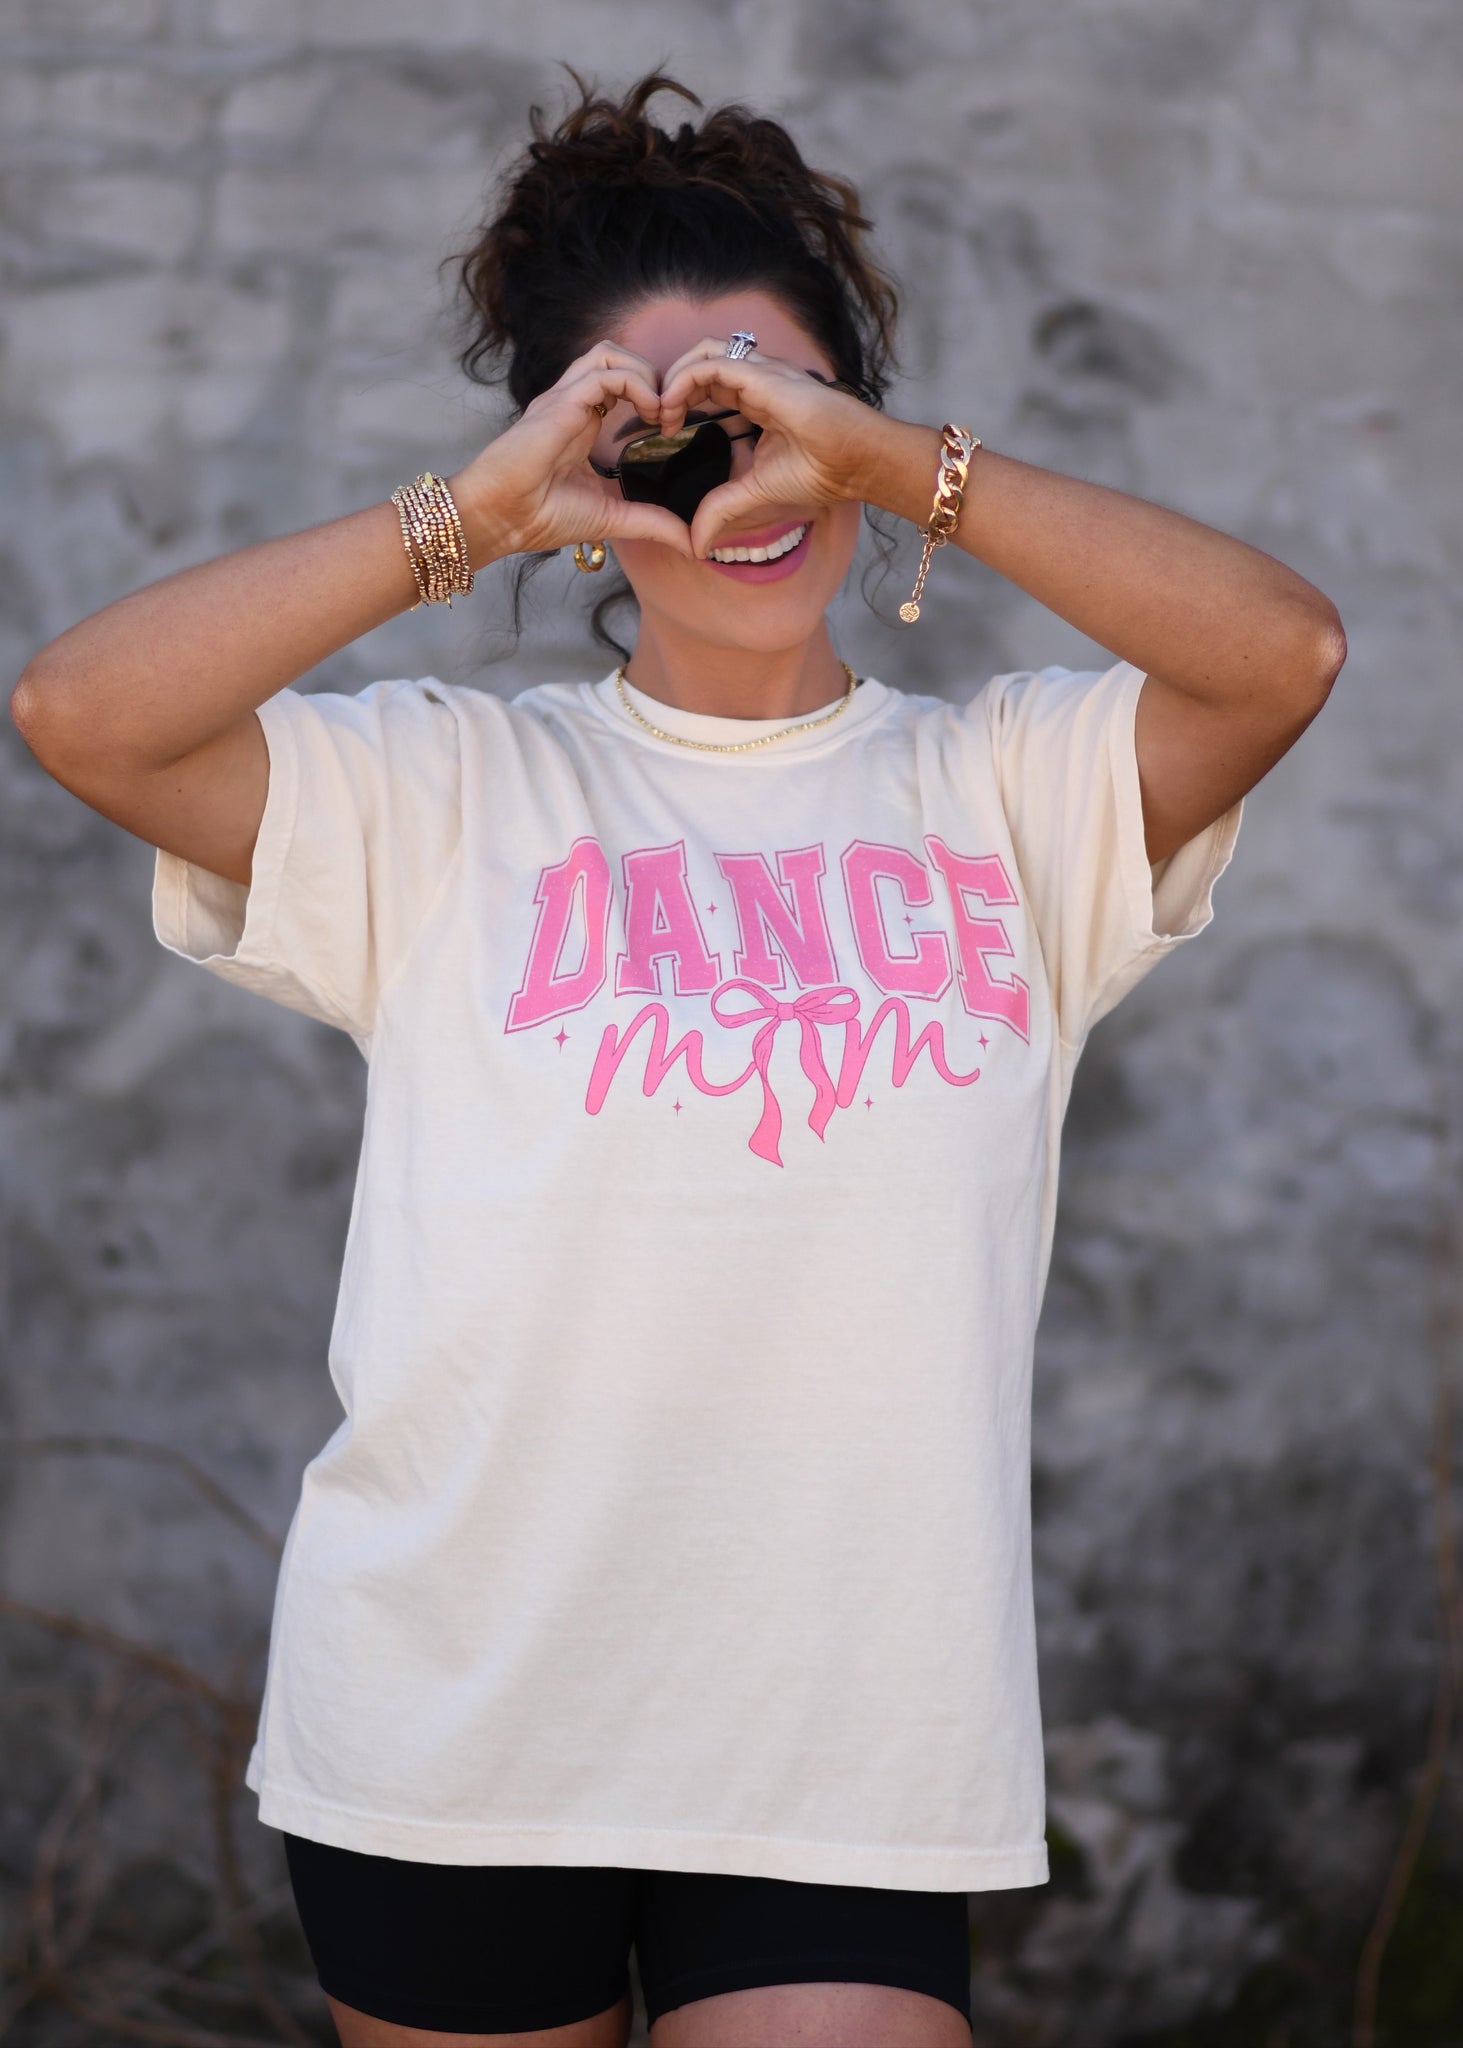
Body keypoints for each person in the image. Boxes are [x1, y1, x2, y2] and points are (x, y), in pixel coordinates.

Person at [10, 69, 1345, 2048]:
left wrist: (899, 463)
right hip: (459, 1722)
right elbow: (82, 712)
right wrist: (466, 518)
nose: (728, 466)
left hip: (848, 1744)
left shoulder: (1015, 792)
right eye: (655, 429)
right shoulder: (445, 790)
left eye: (774, 405)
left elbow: (1282, 654)